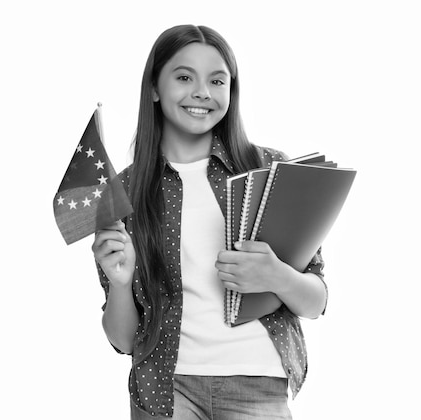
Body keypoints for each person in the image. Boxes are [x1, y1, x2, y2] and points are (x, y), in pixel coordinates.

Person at [92, 24, 327, 420]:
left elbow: (317, 301)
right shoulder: (124, 193)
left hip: (257, 383)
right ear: (154, 87)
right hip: (166, 390)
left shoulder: (268, 170)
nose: (202, 92)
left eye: (217, 80)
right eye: (184, 77)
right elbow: (124, 340)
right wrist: (119, 283)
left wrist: (277, 277)